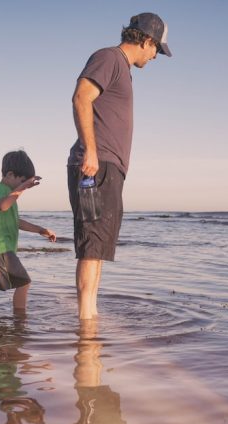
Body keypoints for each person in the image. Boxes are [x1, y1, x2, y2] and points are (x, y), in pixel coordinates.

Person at [67, 12, 172, 320]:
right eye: (157, 51)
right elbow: (81, 98)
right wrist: (90, 151)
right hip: (95, 166)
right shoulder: (110, 58)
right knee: (91, 245)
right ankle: (86, 324)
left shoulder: (122, 69)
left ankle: (91, 316)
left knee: (97, 247)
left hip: (107, 168)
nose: (155, 57)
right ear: (147, 41)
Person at [0, 150, 57, 310]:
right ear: (10, 174)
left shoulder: (8, 194)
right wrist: (23, 188)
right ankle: (20, 321)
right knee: (24, 283)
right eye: (21, 181)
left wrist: (40, 230)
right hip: (1, 247)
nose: (22, 186)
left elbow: (16, 221)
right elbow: (4, 205)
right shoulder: (1, 190)